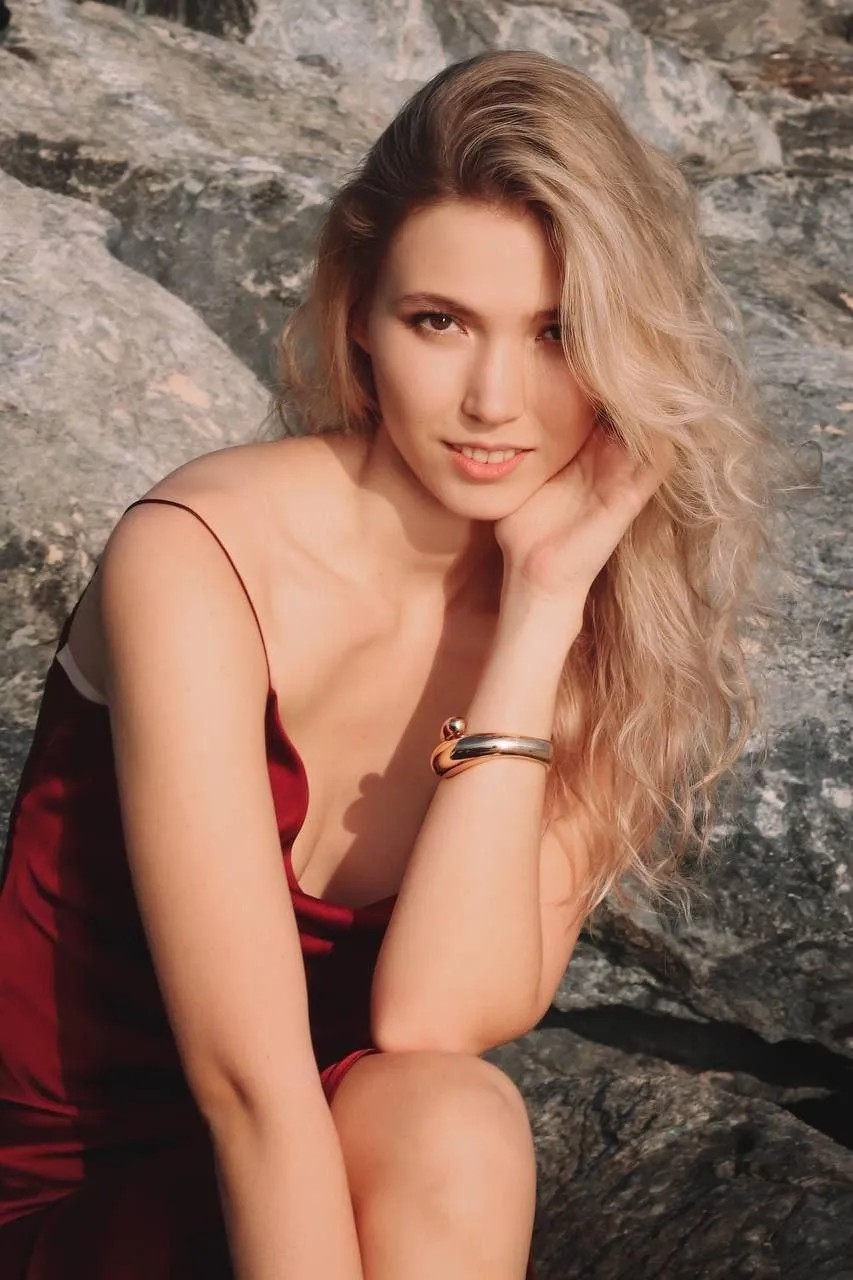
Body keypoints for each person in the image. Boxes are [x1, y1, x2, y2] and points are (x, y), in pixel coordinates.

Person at [0, 47, 810, 1280]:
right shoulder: (199, 555)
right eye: (442, 322)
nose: (494, 397)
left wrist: (540, 610)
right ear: (360, 319)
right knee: (441, 1125)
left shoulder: (602, 614)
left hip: (349, 1155)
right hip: (99, 1194)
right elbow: (249, 1093)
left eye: (556, 332)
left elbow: (430, 1019)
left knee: (453, 1114)